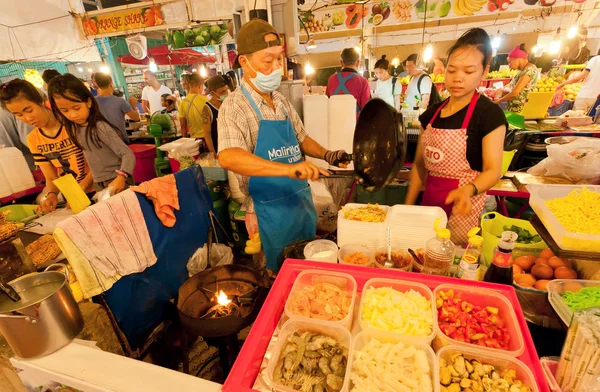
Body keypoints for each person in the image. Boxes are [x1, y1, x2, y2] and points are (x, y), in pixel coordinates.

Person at [218, 19, 349, 271]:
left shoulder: (281, 100)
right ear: (244, 62)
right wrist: (288, 169)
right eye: (268, 61)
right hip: (269, 213)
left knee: (309, 273)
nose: (277, 67)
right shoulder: (233, 106)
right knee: (278, 277)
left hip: (301, 205)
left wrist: (328, 154)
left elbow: (302, 138)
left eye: (279, 60)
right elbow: (229, 157)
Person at [405, 28, 507, 246]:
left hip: (464, 210)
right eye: (451, 71)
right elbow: (419, 167)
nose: (458, 78)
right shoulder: (430, 116)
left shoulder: (488, 115)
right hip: (430, 209)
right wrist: (406, 209)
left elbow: (492, 170)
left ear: (484, 71)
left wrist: (468, 190)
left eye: (468, 72)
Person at [0, 79, 93, 212]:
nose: (27, 118)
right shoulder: (33, 139)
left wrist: (83, 186)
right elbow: (50, 177)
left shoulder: (72, 123)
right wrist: (52, 194)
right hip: (73, 194)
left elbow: (98, 161)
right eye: (18, 115)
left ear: (40, 101)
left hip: (97, 186)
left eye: (29, 110)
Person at [48, 74, 135, 194]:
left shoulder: (99, 127)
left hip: (117, 180)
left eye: (76, 108)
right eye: (65, 110)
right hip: (98, 182)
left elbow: (127, 154)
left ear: (88, 102)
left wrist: (122, 176)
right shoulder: (75, 129)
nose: (72, 115)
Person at [93, 73, 140, 142]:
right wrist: (133, 105)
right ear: (111, 83)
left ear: (97, 84)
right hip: (120, 139)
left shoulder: (93, 102)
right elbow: (136, 118)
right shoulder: (120, 101)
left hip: (102, 140)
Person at [494, 44, 539, 113]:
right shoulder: (523, 71)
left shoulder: (529, 70)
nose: (509, 65)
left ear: (516, 59)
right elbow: (520, 92)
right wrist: (503, 93)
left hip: (520, 111)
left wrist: (497, 102)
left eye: (509, 62)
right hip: (514, 109)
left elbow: (515, 93)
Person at [326, 48, 371, 115]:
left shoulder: (331, 79)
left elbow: (327, 103)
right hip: (355, 124)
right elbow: (367, 110)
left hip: (334, 123)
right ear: (358, 63)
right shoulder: (363, 82)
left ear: (341, 62)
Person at [178, 73, 211, 149]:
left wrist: (186, 142)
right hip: (208, 139)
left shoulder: (182, 103)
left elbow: (183, 126)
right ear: (200, 85)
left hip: (194, 140)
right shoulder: (205, 100)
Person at [205, 75, 230, 152]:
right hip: (218, 149)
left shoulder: (228, 103)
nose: (226, 93)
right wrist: (213, 153)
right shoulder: (207, 108)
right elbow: (207, 134)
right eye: (222, 92)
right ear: (212, 93)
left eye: (226, 90)